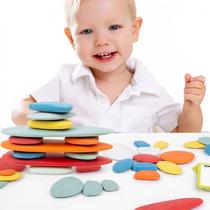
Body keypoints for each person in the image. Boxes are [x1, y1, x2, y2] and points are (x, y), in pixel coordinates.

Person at [11, 0, 206, 132]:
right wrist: (49, 120)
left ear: (134, 30)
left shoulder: (151, 91)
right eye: (87, 31)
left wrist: (191, 106)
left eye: (113, 27)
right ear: (71, 38)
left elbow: (184, 133)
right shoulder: (65, 80)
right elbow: (19, 112)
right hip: (78, 177)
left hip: (135, 181)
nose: (101, 41)